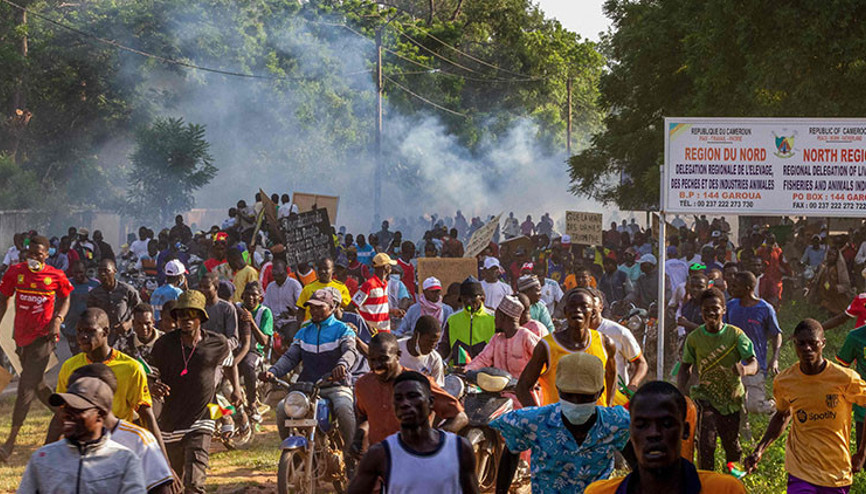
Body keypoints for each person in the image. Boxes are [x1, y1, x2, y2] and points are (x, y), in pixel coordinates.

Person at [745, 319, 866, 493]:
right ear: (794, 344)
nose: (807, 348)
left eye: (813, 343)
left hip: (836, 472)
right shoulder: (785, 381)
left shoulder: (844, 378)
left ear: (823, 343)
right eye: (801, 343)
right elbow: (782, 416)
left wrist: (862, 452)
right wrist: (759, 449)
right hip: (800, 470)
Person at [493, 352, 631, 493]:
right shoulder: (533, 421)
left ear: (600, 392)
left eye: (585, 397)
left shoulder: (615, 423)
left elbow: (640, 467)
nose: (576, 403)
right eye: (568, 395)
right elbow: (510, 454)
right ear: (558, 389)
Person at [150, 290, 240, 493]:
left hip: (202, 420)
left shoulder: (217, 343)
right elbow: (150, 376)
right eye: (181, 315)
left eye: (192, 314)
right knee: (173, 484)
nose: (186, 319)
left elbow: (230, 363)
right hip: (170, 423)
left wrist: (236, 390)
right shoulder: (163, 345)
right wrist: (153, 387)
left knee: (194, 484)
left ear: (200, 317)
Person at [585, 381, 746, 494]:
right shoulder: (600, 492)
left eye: (667, 424)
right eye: (642, 425)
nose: (654, 433)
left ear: (685, 430)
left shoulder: (725, 490)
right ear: (630, 433)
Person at [0, 235, 73, 461]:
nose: (33, 259)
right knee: (38, 385)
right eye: (30, 254)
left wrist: (57, 320)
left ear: (47, 255)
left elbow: (66, 297)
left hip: (44, 338)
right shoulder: (15, 272)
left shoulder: (55, 276)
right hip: (21, 338)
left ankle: (9, 443)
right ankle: (70, 419)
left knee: (25, 387)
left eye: (38, 255)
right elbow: (4, 297)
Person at [261, 288, 358, 458]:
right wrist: (273, 371)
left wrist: (342, 365)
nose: (314, 311)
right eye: (311, 307)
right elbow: (290, 358)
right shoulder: (304, 332)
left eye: (320, 307)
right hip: (308, 387)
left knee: (344, 409)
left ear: (333, 306)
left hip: (335, 385)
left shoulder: (343, 330)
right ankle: (296, 456)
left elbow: (350, 352)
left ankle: (351, 454)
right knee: (283, 408)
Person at [349, 371, 478, 494]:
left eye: (413, 396)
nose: (405, 403)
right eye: (398, 398)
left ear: (431, 402)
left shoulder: (459, 449)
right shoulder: (380, 454)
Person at [18, 376, 146, 493]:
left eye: (76, 409)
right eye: (65, 408)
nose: (66, 414)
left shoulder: (124, 461)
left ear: (100, 414)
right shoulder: (43, 459)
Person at [677, 287, 758, 471]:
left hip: (732, 399)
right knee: (706, 445)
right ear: (701, 312)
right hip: (705, 398)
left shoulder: (736, 335)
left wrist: (744, 370)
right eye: (707, 310)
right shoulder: (694, 338)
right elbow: (685, 368)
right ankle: (707, 484)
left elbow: (754, 363)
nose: (711, 313)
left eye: (716, 308)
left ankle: (732, 484)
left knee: (732, 446)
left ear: (723, 310)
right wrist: (682, 394)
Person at [66, 363, 175, 493]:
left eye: (77, 401)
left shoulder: (137, 440)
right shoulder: (64, 445)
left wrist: (167, 465)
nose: (68, 409)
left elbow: (160, 489)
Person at [351, 333, 467, 456]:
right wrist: (359, 436)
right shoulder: (363, 385)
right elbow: (363, 416)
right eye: (372, 359)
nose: (377, 365)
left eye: (384, 359)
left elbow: (460, 417)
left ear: (398, 356)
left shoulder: (419, 383)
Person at [516, 288, 617, 407]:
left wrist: (608, 406)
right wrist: (539, 418)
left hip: (594, 422)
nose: (577, 310)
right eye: (572, 306)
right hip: (559, 423)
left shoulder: (605, 343)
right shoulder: (547, 346)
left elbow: (611, 375)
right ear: (565, 311)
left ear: (593, 313)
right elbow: (522, 387)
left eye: (584, 306)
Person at [466, 295, 541, 406]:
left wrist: (534, 380)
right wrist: (467, 370)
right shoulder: (496, 339)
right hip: (499, 399)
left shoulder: (526, 336)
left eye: (497, 316)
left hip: (524, 399)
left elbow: (543, 359)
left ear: (504, 317)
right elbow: (483, 359)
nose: (495, 320)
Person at [726, 271, 782, 415]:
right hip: (733, 365)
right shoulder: (731, 306)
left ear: (747, 288)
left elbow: (776, 334)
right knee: (735, 406)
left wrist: (775, 358)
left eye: (736, 285)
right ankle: (743, 436)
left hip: (755, 366)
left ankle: (774, 406)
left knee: (753, 406)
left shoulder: (764, 308)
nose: (732, 288)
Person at [589, 288, 648, 400]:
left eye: (593, 304)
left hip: (615, 399)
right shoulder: (573, 334)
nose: (588, 308)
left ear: (601, 306)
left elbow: (641, 363)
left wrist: (633, 384)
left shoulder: (618, 332)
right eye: (584, 305)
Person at [437, 277, 496, 364]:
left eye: (473, 297)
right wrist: (434, 358)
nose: (468, 301)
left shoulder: (493, 318)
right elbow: (444, 347)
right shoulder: (452, 319)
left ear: (482, 298)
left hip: (485, 372)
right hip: (459, 371)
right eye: (465, 297)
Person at [87, 258, 142, 348]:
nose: (103, 274)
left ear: (114, 271)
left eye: (106, 271)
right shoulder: (94, 294)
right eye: (100, 271)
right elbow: (90, 316)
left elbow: (140, 310)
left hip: (126, 339)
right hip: (104, 340)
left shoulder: (127, 290)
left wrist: (129, 323)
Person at [237, 281, 272, 420]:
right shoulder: (236, 308)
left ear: (260, 298)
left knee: (248, 365)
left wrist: (251, 322)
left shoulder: (264, 312)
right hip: (236, 348)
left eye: (254, 295)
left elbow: (264, 341)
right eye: (247, 294)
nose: (250, 298)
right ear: (242, 295)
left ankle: (252, 403)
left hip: (254, 351)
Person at [352, 252, 401, 333]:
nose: (391, 268)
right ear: (386, 267)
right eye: (390, 265)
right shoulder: (369, 285)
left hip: (384, 331)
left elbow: (377, 308)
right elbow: (352, 306)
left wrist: (393, 311)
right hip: (371, 333)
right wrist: (366, 325)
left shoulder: (384, 284)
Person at [297, 257, 351, 321]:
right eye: (320, 269)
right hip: (313, 325)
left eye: (326, 269)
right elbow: (301, 310)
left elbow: (348, 308)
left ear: (333, 270)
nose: (322, 271)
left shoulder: (341, 287)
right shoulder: (308, 288)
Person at [64, 259, 100, 354]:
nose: (78, 275)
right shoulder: (67, 283)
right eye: (75, 272)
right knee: (75, 353)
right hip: (72, 327)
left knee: (88, 352)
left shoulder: (95, 284)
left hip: (89, 326)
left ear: (85, 271)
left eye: (81, 272)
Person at [398, 315, 445, 385]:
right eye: (429, 342)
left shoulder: (435, 359)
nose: (432, 347)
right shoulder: (395, 349)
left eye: (435, 343)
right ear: (417, 335)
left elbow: (437, 389)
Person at [263, 258, 303, 341]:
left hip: (290, 321)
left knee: (289, 337)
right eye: (274, 275)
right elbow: (265, 306)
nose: (277, 278)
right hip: (274, 323)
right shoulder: (270, 287)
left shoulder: (294, 285)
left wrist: (294, 311)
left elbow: (301, 306)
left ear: (286, 272)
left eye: (280, 275)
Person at [198, 273, 239, 349]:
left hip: (220, 351)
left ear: (216, 288)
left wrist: (218, 348)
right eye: (200, 287)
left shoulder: (227, 308)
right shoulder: (197, 307)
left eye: (207, 287)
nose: (202, 290)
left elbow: (233, 340)